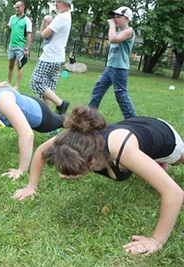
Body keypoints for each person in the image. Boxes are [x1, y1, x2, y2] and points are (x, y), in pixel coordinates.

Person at [13, 106, 184, 255]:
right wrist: (31, 186)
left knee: (179, 160)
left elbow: (174, 193)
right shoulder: (72, 139)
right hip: (135, 127)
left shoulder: (121, 151)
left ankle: (158, 160)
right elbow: (41, 151)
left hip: (165, 136)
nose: (61, 176)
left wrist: (156, 241)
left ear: (92, 163)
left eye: (68, 172)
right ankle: (151, 162)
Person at [88, 6, 137, 119]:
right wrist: (113, 27)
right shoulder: (119, 31)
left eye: (119, 17)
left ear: (127, 19)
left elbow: (113, 39)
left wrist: (111, 25)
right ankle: (90, 117)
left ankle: (133, 120)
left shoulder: (129, 31)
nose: (115, 19)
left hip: (120, 68)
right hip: (110, 67)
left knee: (121, 95)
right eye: (115, 17)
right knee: (98, 89)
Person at [29, 0, 72, 115]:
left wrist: (49, 22)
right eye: (56, 2)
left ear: (67, 3)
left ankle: (61, 104)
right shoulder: (65, 16)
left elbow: (43, 34)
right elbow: (45, 34)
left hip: (50, 57)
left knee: (36, 82)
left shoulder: (62, 17)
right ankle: (50, 120)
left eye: (59, 2)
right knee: (48, 88)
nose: (56, 4)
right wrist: (45, 21)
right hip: (57, 57)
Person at [5, 1, 32, 89]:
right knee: (10, 65)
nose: (16, 9)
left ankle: (16, 85)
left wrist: (26, 49)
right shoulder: (12, 18)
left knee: (20, 66)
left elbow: (28, 35)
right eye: (16, 7)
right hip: (11, 45)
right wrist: (7, 28)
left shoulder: (27, 20)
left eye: (18, 7)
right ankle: (8, 83)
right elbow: (9, 31)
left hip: (21, 46)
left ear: (23, 7)